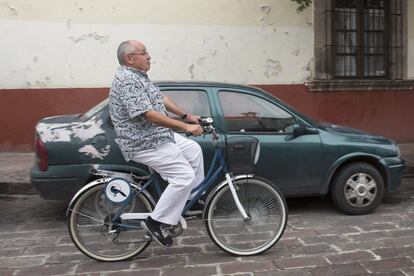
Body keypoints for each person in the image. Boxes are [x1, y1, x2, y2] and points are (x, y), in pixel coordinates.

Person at [109, 40, 204, 247]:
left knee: (193, 149)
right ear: (130, 58)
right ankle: (156, 222)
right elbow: (149, 114)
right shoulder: (126, 80)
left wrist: (186, 116)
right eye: (144, 53)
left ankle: (189, 198)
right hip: (143, 141)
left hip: (157, 135)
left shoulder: (139, 77)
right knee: (184, 176)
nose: (149, 56)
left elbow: (160, 99)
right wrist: (185, 127)